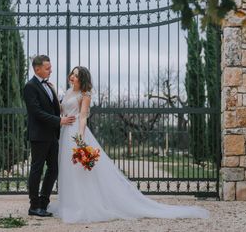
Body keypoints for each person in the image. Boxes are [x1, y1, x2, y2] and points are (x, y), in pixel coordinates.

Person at [48, 66, 210, 223]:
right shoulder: (69, 92)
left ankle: (85, 205)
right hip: (65, 131)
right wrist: (55, 92)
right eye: (72, 74)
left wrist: (81, 138)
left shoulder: (85, 94)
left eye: (76, 75)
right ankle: (71, 203)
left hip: (76, 132)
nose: (72, 77)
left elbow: (83, 117)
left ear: (82, 78)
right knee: (68, 169)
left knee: (81, 171)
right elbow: (62, 109)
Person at [23, 55, 76, 217]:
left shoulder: (49, 85)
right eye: (47, 68)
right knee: (37, 170)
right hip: (39, 135)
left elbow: (54, 106)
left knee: (54, 169)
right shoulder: (30, 86)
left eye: (50, 67)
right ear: (37, 69)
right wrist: (59, 121)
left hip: (53, 135)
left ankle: (43, 203)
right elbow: (36, 112)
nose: (51, 70)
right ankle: (34, 206)